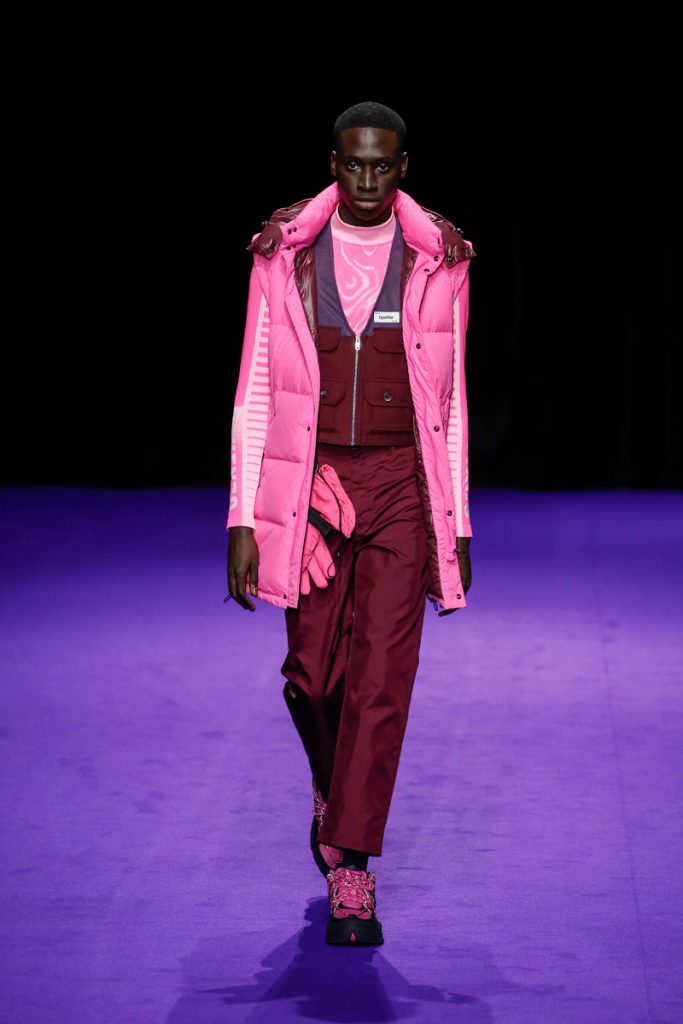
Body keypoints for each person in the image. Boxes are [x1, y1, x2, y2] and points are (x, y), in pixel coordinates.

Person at [225, 101, 475, 946]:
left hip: (402, 484)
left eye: (382, 165)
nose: (367, 179)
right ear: (334, 164)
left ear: (402, 168)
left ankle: (352, 871)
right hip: (313, 486)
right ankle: (333, 794)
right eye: (353, 164)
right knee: (312, 679)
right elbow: (255, 388)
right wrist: (242, 517)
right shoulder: (284, 255)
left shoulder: (439, 259)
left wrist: (457, 521)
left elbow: (451, 402)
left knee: (380, 684)